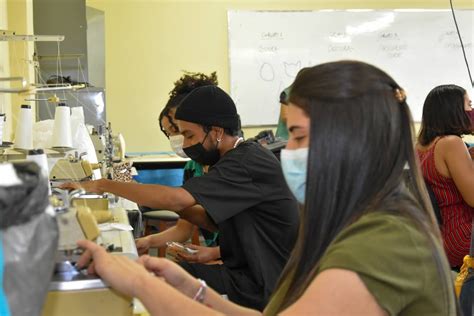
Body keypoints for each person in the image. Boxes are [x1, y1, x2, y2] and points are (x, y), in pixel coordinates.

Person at [75, 60, 457, 315]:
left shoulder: (386, 243)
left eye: (297, 136)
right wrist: (195, 292)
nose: (287, 151)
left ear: (349, 140)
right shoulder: (353, 228)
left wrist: (137, 281)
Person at [63, 85, 299, 310]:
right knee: (162, 275)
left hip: (263, 285)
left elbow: (176, 200)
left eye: (188, 135)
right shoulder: (232, 160)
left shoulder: (244, 162)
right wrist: (145, 194)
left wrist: (103, 185)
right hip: (250, 273)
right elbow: (210, 221)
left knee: (157, 285)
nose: (185, 145)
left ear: (216, 132)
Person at [136, 71, 220, 263]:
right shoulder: (192, 168)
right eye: (169, 133)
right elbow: (184, 229)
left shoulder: (229, 167)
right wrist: (146, 241)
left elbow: (248, 240)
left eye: (179, 131)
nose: (176, 138)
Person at [416, 84, 474, 268]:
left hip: (440, 239)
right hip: (465, 237)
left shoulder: (421, 146)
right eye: (469, 105)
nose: (472, 111)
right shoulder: (451, 143)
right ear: (454, 110)